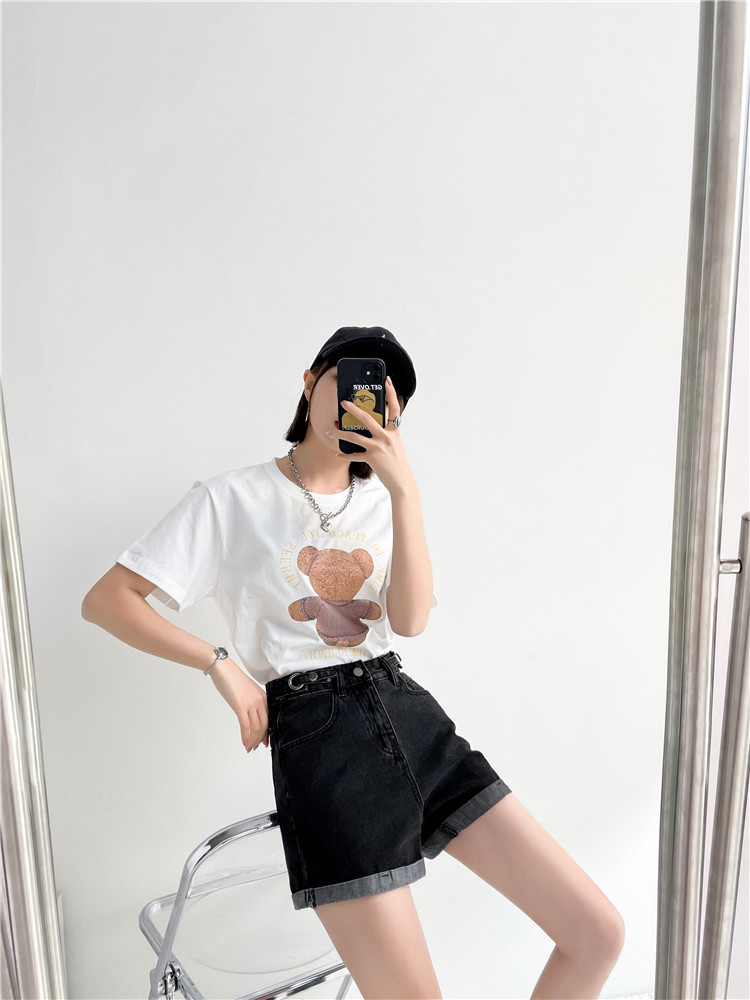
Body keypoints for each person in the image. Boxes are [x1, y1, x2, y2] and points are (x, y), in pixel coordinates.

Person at [81, 326, 625, 1000]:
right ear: (311, 382)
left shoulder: (387, 500)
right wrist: (219, 663)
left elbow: (411, 621)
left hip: (411, 717)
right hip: (323, 741)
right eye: (352, 382)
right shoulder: (230, 499)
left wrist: (405, 493)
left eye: (385, 402)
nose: (362, 405)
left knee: (597, 933)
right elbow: (108, 600)